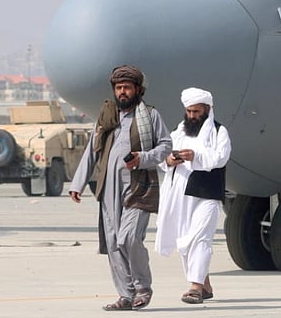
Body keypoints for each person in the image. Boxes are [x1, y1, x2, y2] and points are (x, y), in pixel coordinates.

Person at [69, 65, 172, 311]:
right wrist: (78, 183)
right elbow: (91, 151)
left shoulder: (150, 116)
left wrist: (143, 158)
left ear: (138, 89)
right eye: (118, 88)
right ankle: (126, 295)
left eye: (127, 87)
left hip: (139, 187)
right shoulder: (106, 117)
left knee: (129, 237)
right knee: (114, 241)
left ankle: (143, 287)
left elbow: (166, 146)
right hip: (109, 189)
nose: (122, 92)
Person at [155, 87, 231, 305]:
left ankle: (195, 288)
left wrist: (196, 156)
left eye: (196, 112)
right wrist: (169, 161)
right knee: (185, 241)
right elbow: (163, 157)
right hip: (180, 195)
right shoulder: (178, 133)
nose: (192, 116)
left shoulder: (219, 132)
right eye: (189, 111)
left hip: (207, 193)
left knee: (200, 238)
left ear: (206, 110)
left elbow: (220, 157)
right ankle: (205, 285)